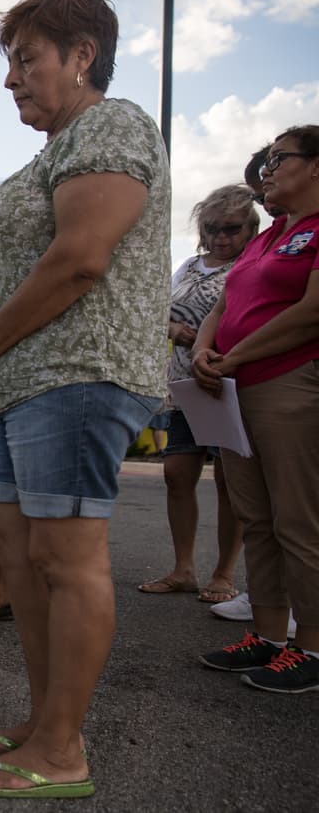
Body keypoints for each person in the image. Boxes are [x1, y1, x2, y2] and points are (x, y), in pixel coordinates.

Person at [0, 0, 170, 798]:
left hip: (78, 370)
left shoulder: (112, 125)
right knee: (21, 551)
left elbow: (81, 257)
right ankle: (45, 720)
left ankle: (65, 746)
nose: (12, 80)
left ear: (82, 57)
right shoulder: (52, 151)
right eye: (9, 63)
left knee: (65, 558)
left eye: (27, 59)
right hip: (21, 379)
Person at [194, 125, 319, 694]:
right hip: (236, 388)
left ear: (315, 166)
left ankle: (312, 645)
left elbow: (310, 312)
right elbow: (226, 298)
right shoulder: (269, 236)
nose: (267, 169)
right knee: (259, 518)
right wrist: (203, 346)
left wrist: (235, 356)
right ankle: (268, 635)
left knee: (300, 521)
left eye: (280, 158)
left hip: (289, 384)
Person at [138, 186, 257, 601]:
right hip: (185, 387)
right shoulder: (189, 267)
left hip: (230, 383)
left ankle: (223, 574)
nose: (221, 236)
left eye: (231, 228)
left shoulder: (251, 265)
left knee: (231, 482)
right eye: (212, 228)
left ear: (248, 229)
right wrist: (176, 331)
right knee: (176, 475)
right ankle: (183, 568)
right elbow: (159, 314)